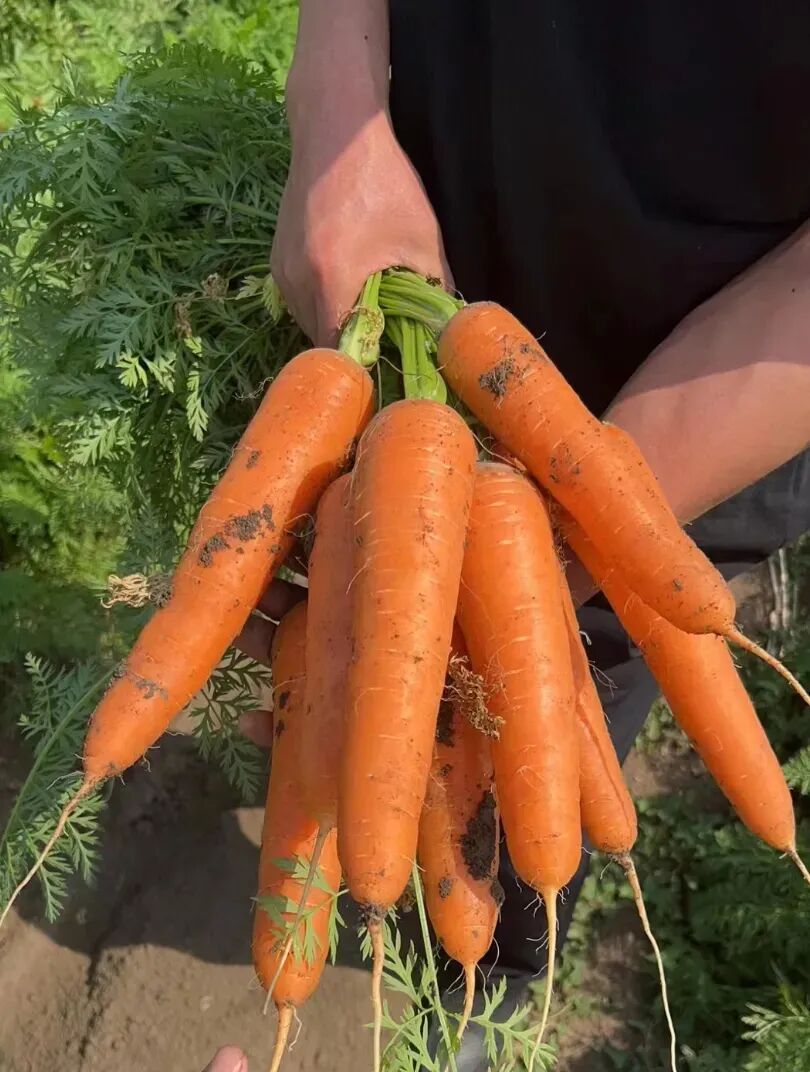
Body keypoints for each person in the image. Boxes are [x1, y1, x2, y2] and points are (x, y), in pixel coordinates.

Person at [230, 1, 810, 1066]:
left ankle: (486, 988)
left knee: (544, 732)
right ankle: (428, 932)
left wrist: (563, 537)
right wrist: (339, 108)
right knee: (358, 693)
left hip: (695, 433)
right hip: (426, 215)